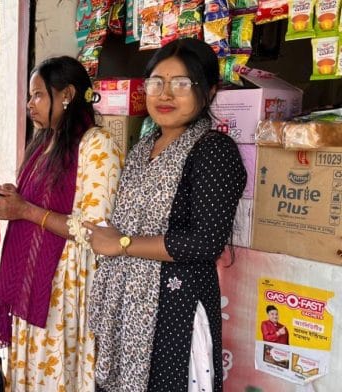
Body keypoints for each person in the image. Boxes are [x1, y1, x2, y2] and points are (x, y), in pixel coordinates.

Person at [84, 38, 247, 392]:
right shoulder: (144, 147)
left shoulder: (214, 151)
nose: (166, 94)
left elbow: (204, 243)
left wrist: (122, 243)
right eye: (157, 83)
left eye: (182, 84)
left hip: (175, 308)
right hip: (130, 305)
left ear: (209, 91)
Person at [0, 55, 122, 390]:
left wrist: (27, 211)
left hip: (67, 287)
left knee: (59, 377)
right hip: (33, 284)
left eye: (38, 95)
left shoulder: (97, 144)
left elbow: (95, 230)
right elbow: (38, 201)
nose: (29, 104)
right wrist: (16, 197)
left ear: (67, 95)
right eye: (29, 96)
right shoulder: (44, 143)